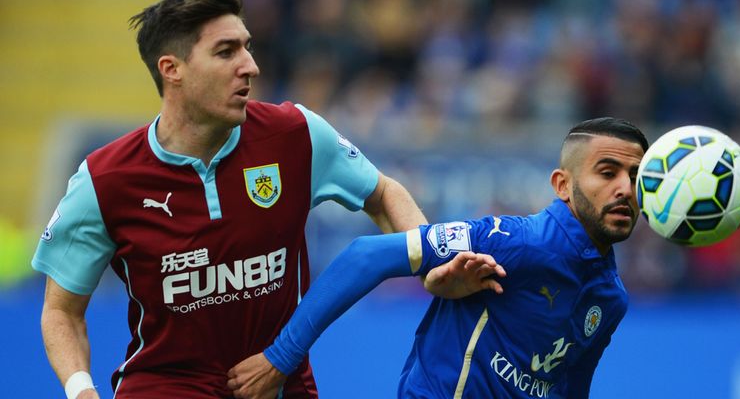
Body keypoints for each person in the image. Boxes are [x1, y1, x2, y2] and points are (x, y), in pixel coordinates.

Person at [31, 0, 486, 399]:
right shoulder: (106, 179)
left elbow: (383, 192)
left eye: (247, 47)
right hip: (165, 385)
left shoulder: (296, 134)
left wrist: (434, 261)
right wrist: (80, 390)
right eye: (226, 52)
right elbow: (61, 312)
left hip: (278, 382)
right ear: (172, 70)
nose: (250, 65)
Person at [233, 117, 649, 398]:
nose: (625, 189)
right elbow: (365, 256)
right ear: (562, 184)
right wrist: (281, 358)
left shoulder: (610, 299)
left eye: (635, 177)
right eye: (608, 172)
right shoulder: (514, 241)